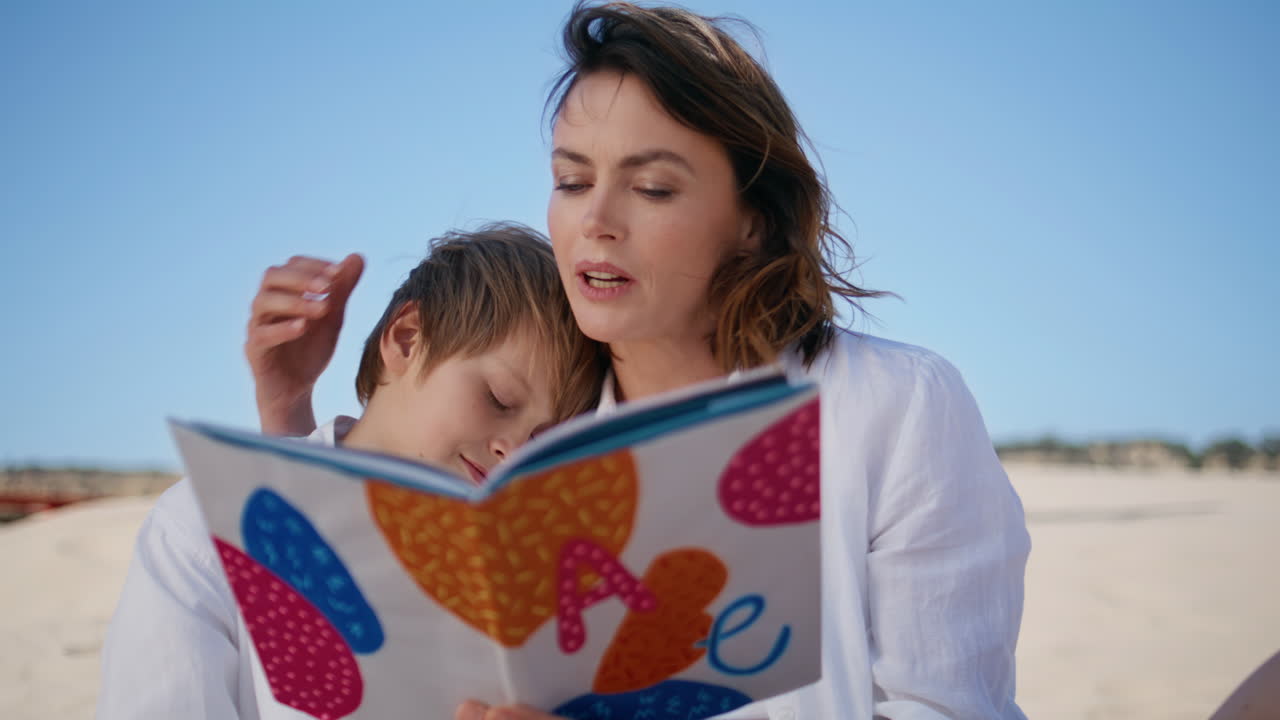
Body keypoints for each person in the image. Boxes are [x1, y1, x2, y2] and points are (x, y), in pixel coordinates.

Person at [250, 4, 1032, 720]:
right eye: (570, 180)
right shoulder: (528, 457)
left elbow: (949, 706)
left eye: (652, 188)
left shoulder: (893, 408)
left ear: (753, 221)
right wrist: (286, 414)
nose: (596, 220)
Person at [96, 224, 605, 719]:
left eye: (546, 442)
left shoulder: (540, 602)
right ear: (406, 339)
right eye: (498, 399)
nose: (511, 450)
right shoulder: (205, 526)